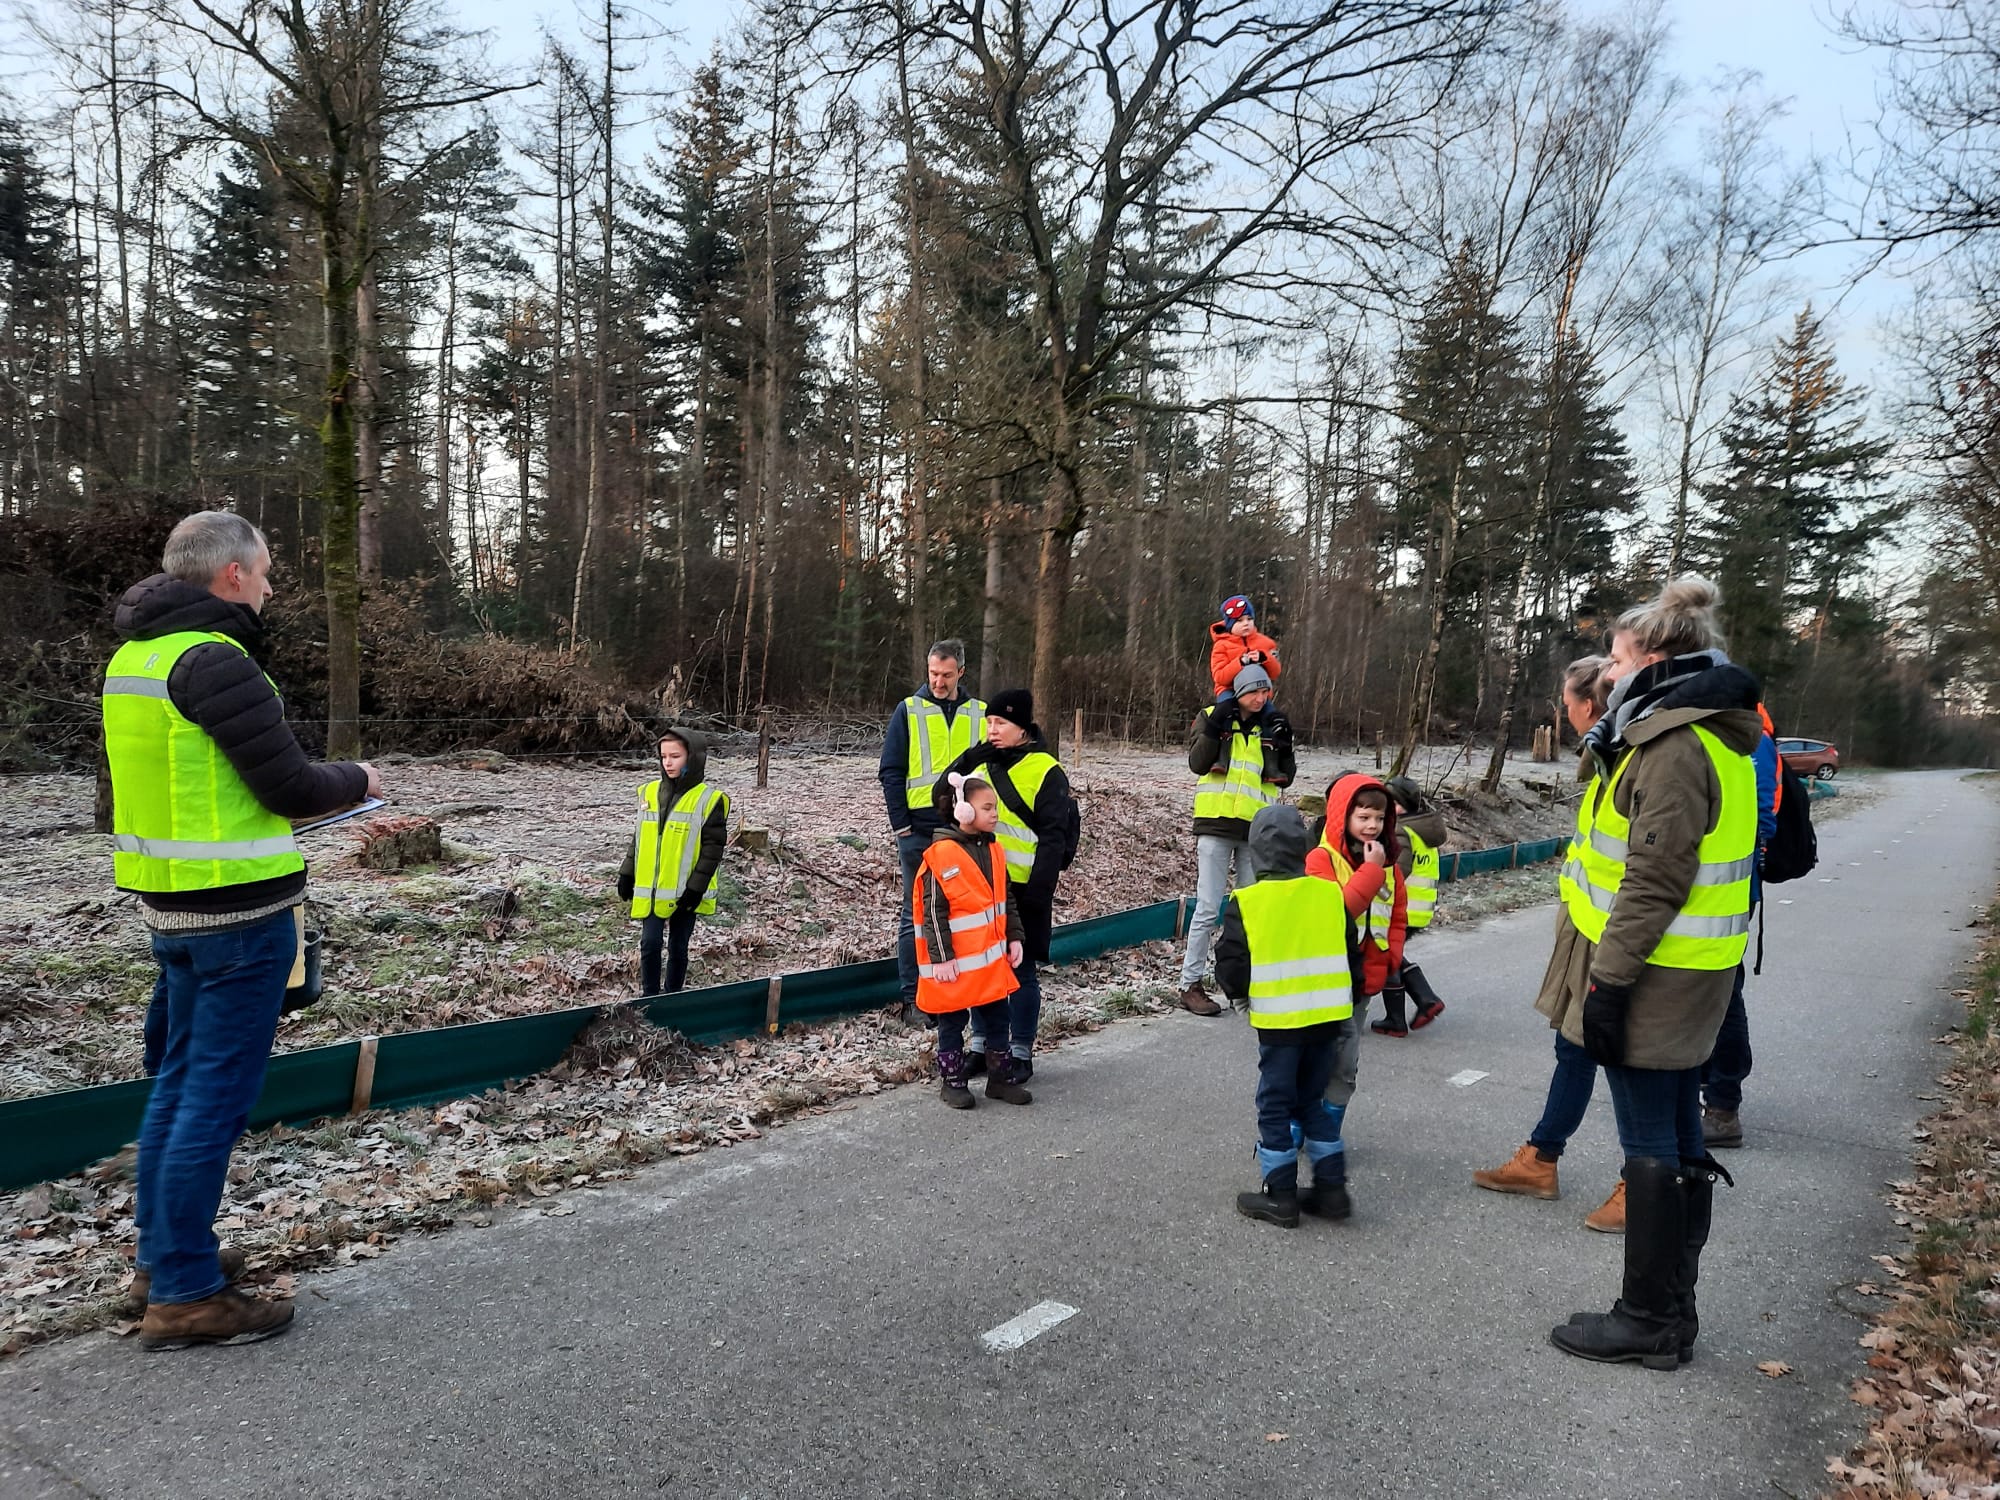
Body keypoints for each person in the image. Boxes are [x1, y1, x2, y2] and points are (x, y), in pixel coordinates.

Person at [104, 510, 377, 1349]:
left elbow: (121, 795)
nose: (268, 586)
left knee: (179, 1088)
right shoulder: (217, 661)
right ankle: (185, 1293)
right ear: (230, 575)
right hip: (241, 917)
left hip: (172, 911)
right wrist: (360, 777)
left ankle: (165, 1260)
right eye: (263, 573)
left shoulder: (133, 661)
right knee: (212, 1104)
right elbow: (291, 784)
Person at [1546, 578, 1761, 1370]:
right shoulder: (1714, 736)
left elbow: (1655, 877)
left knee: (1649, 1139)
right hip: (1691, 971)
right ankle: (1674, 1312)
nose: (1608, 666)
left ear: (1659, 661)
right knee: (1675, 1132)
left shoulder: (1673, 744)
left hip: (1653, 974)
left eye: (1620, 653)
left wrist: (1607, 980)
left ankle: (1646, 1317)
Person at [1474, 655, 1629, 1233]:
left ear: (1590, 706)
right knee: (1575, 1046)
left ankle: (1643, 1180)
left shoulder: (1628, 766)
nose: (1562, 713)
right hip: (1588, 931)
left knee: (1624, 1059)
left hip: (1615, 939)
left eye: (1566, 702)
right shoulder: (1607, 762)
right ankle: (1541, 1158)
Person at [1215, 805, 1355, 1226]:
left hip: (1280, 1024)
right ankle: (1332, 1191)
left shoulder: (1249, 901)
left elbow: (1232, 964)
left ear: (1256, 852)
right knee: (1311, 1101)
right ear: (1304, 847)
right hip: (1329, 1019)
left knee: (1274, 1105)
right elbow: (1351, 953)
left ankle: (1280, 1196)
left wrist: (1240, 996)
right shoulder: (1330, 894)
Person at [930, 688, 1074, 1081]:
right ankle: (982, 1046)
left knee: (1021, 971)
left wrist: (1039, 896)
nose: (992, 730)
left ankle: (1021, 1050)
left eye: (1001, 723)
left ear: (1023, 728)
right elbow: (941, 798)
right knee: (981, 971)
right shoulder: (981, 765)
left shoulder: (1046, 770)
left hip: (1025, 889)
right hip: (980, 889)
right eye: (989, 722)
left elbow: (1053, 837)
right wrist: (968, 759)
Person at [879, 641, 987, 1026]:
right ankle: (914, 1000)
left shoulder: (979, 714)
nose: (938, 682)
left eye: (945, 675)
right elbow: (890, 770)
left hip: (964, 832)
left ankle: (960, 996)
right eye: (932, 674)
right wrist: (901, 825)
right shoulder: (908, 710)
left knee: (962, 915)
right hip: (919, 831)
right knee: (917, 915)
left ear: (961, 672)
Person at [1178, 663, 1295, 1015]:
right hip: (1215, 824)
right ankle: (1190, 984)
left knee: (1248, 910)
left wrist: (1285, 742)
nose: (1260, 698)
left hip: (1256, 830)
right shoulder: (1212, 715)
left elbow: (1284, 776)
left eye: (1265, 692)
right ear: (1239, 691)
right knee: (1209, 907)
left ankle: (1243, 981)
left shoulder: (1271, 724)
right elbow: (1198, 763)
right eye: (1254, 691)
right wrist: (1215, 727)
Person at [915, 774, 1032, 1108]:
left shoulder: (994, 849)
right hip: (953, 965)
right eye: (987, 807)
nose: (995, 814)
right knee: (952, 1023)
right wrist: (942, 959)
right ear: (963, 810)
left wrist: (1015, 937)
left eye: (995, 807)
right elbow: (933, 913)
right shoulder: (940, 856)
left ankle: (1000, 1080)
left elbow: (1005, 900)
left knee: (998, 1019)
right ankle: (953, 1083)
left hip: (990, 961)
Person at [1698, 701, 1780, 1149]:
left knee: (1725, 996)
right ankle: (1709, 1091)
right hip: (1702, 895)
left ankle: (1724, 1105)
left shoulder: (1752, 740)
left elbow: (1761, 821)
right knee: (1705, 995)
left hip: (1727, 893)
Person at [616, 727, 729, 997]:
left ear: (693, 757)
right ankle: (650, 998)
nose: (668, 762)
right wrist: (627, 872)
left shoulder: (709, 799)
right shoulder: (649, 793)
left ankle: (673, 996)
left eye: (675, 756)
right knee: (650, 943)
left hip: (686, 891)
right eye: (664, 756)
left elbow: (713, 849)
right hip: (653, 889)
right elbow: (640, 837)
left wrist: (695, 889)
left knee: (678, 946)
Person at [1306, 773, 1408, 1035]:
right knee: (1328, 1054)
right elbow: (1340, 912)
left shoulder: (1388, 864)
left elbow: (1396, 916)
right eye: (1363, 818)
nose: (1373, 825)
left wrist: (1392, 956)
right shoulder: (1321, 859)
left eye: (1380, 818)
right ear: (1343, 817)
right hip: (1330, 974)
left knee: (1348, 1059)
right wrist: (1371, 871)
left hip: (1370, 970)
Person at [1378, 774, 1448, 1034]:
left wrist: (1375, 896)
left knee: (1386, 956)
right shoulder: (1422, 830)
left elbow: (1398, 872)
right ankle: (1426, 1000)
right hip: (1420, 909)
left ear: (1402, 806)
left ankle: (1398, 1018)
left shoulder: (1401, 830)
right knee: (1390, 955)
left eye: (1391, 803)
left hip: (1401, 908)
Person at [1207, 594, 1282, 703]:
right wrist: (1240, 663)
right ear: (1230, 625)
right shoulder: (1221, 645)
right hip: (1229, 691)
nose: (1246, 623)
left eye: (1249, 619)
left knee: (1271, 716)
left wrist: (1264, 658)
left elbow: (1276, 673)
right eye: (1239, 620)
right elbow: (1219, 677)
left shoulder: (1267, 643)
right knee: (1225, 712)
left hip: (1259, 693)